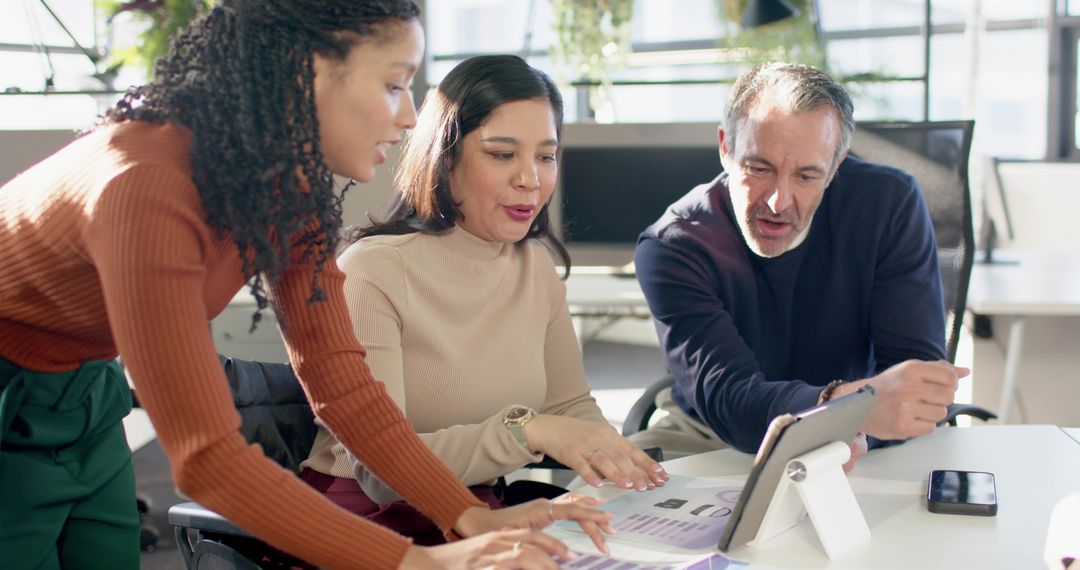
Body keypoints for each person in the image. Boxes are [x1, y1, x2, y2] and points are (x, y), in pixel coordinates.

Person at [0, 2, 612, 569]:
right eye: (395, 84)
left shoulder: (287, 191)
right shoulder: (146, 189)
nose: (408, 117)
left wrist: (470, 517)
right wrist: (420, 563)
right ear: (308, 74)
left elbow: (347, 394)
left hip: (84, 392)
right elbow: (208, 457)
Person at [301, 54, 668, 551]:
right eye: (502, 154)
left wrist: (621, 465)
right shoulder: (374, 270)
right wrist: (526, 432)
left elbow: (568, 404)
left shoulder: (533, 266)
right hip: (371, 527)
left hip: (489, 514)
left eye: (546, 156)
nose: (530, 180)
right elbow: (379, 470)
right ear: (445, 160)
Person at [630, 62, 970, 462]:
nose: (778, 202)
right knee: (601, 509)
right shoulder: (676, 244)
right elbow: (730, 399)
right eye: (759, 168)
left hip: (863, 431)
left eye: (807, 176)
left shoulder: (887, 205)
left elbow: (917, 383)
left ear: (836, 164)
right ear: (725, 146)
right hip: (715, 435)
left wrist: (854, 427)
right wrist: (840, 411)